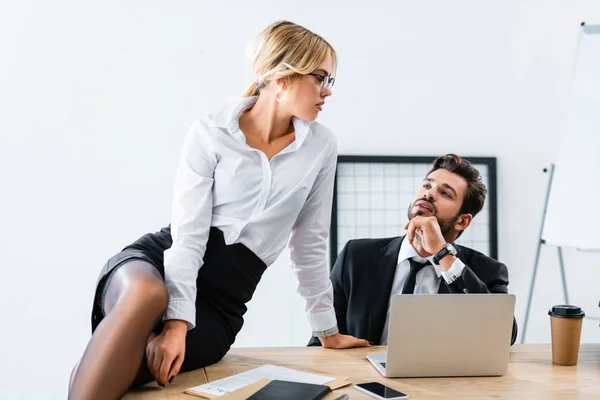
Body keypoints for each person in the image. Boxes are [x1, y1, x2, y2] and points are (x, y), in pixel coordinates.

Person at [69, 20, 369, 400]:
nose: (327, 92)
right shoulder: (210, 132)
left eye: (331, 81)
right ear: (283, 76)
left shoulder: (321, 146)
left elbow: (309, 242)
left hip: (221, 306)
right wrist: (177, 324)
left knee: (120, 363)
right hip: (161, 263)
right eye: (321, 78)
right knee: (148, 296)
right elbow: (189, 233)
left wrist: (327, 330)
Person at [308, 154, 518, 347]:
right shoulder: (357, 256)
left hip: (446, 383)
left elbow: (504, 337)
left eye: (445, 193)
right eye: (427, 185)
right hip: (366, 380)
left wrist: (442, 253)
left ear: (462, 221)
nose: (429, 194)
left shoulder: (487, 271)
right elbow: (322, 341)